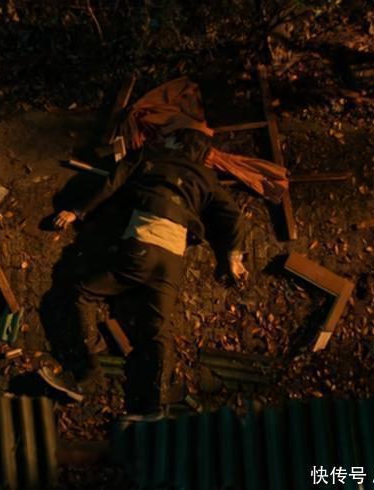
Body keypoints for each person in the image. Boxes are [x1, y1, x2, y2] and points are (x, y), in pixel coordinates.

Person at [44, 128, 248, 416]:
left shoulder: (150, 156)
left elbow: (112, 183)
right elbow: (234, 216)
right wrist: (233, 258)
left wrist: (76, 211)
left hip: (141, 247)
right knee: (158, 331)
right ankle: (156, 403)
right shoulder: (206, 177)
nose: (162, 139)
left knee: (82, 292)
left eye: (169, 136)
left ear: (178, 143)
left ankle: (88, 373)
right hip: (173, 258)